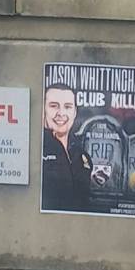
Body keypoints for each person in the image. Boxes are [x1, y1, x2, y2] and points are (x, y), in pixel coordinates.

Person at [41, 84, 93, 212]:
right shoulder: (36, 147)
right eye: (54, 106)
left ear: (74, 112)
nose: (61, 113)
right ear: (43, 110)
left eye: (67, 107)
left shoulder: (81, 153)